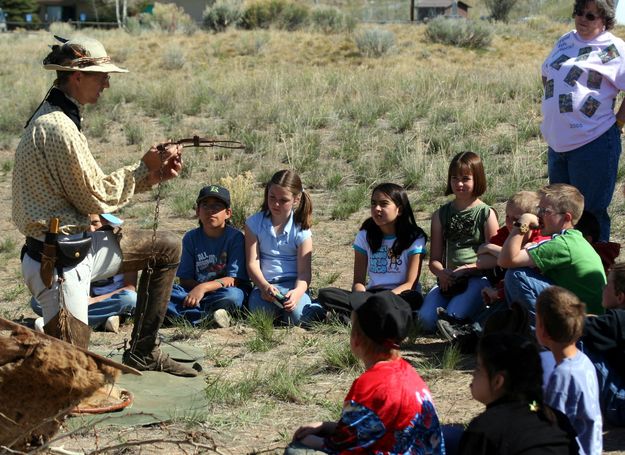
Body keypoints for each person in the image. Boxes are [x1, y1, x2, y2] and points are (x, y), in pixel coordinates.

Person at [12, 35, 197, 377]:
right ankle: (44, 334)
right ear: (78, 77)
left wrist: (152, 176)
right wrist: (145, 168)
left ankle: (143, 352)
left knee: (167, 247)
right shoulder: (58, 127)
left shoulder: (59, 114)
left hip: (76, 249)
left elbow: (82, 195)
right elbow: (94, 195)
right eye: (102, 75)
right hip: (58, 266)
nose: (108, 83)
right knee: (71, 378)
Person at [286, 291, 445, 454]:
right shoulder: (409, 373)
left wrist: (312, 441)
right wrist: (326, 426)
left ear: (356, 339)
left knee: (296, 451)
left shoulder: (370, 386)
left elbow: (343, 446)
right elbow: (374, 427)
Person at [541, 0, 625, 242]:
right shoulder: (566, 40)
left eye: (590, 15)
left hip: (593, 142)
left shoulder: (614, 48)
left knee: (589, 215)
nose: (582, 19)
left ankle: (595, 276)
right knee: (557, 213)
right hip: (558, 144)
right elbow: (546, 71)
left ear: (606, 19)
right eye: (578, 12)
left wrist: (618, 124)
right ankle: (563, 274)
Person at [437, 191, 548, 348]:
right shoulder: (506, 232)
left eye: (517, 220)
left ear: (533, 221)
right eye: (507, 216)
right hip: (507, 286)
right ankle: (469, 328)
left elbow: (518, 264)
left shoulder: (539, 238)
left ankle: (471, 333)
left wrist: (492, 249)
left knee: (503, 302)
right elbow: (482, 260)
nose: (509, 223)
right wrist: (505, 256)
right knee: (498, 302)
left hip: (529, 293)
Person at [318, 182, 427, 320]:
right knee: (326, 294)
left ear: (399, 209)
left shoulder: (415, 237)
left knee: (414, 298)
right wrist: (362, 297)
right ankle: (374, 316)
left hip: (400, 294)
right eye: (373, 203)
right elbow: (358, 281)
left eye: (384, 204)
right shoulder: (365, 234)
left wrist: (381, 299)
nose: (377, 208)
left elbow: (410, 284)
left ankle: (357, 316)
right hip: (371, 295)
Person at [499, 184, 606, 324]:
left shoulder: (562, 244)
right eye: (539, 209)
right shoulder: (572, 239)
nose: (538, 215)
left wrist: (523, 222)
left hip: (582, 322)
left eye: (545, 211)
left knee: (517, 275)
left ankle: (539, 339)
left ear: (567, 218)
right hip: (585, 315)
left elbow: (506, 260)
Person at [458, 332, 579, 455]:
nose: (473, 374)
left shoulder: (484, 429)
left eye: (478, 368)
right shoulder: (557, 419)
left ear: (498, 381)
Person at [419, 151, 499, 332]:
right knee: (425, 321)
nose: (459, 184)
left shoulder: (486, 213)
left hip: (478, 278)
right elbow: (434, 260)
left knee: (451, 319)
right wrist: (442, 273)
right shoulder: (441, 214)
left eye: (465, 178)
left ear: (477, 179)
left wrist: (468, 269)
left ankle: (480, 313)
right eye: (454, 178)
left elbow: (496, 257)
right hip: (449, 279)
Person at [30, 213, 137, 333]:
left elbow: (130, 288)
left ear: (108, 225)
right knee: (37, 301)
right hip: (82, 299)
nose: (90, 228)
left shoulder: (123, 248)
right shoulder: (80, 247)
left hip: (110, 299)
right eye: (86, 224)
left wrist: (93, 301)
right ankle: (104, 320)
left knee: (130, 299)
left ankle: (55, 322)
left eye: (95, 223)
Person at [245, 170, 325, 326]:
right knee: (260, 315)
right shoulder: (254, 224)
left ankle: (316, 308)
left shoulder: (301, 230)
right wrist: (263, 286)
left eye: (283, 200)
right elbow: (252, 263)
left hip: (293, 286)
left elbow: (304, 274)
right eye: (272, 197)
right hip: (265, 285)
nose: (276, 204)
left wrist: (296, 294)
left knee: (296, 317)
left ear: (296, 200)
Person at [167, 185, 249, 327]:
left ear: (228, 213)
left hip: (223, 291)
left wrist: (204, 288)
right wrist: (197, 290)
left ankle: (188, 316)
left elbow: (234, 279)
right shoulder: (190, 238)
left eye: (217, 206)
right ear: (198, 211)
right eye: (205, 205)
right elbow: (185, 278)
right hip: (194, 291)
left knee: (234, 297)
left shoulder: (235, 238)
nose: (211, 210)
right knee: (165, 293)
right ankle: (211, 317)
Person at [536, 286, 602, 455]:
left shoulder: (562, 376)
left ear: (543, 330)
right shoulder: (583, 361)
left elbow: (550, 424)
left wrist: (531, 406)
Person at [581, 262, 625, 426]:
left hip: (619, 404)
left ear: (620, 297)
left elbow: (572, 324)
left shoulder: (616, 321)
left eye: (607, 284)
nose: (603, 287)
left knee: (576, 340)